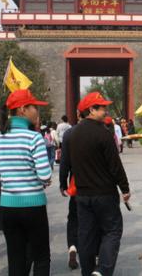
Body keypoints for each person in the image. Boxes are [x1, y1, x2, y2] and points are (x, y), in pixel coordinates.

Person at [0, 89, 52, 276]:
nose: (37, 112)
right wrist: (36, 178)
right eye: (35, 107)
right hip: (34, 206)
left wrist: (9, 177)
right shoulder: (34, 137)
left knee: (15, 258)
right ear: (23, 109)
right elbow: (45, 175)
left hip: (8, 207)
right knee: (40, 257)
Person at [68, 92, 130, 276]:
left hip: (83, 195)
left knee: (86, 235)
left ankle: (87, 272)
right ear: (91, 110)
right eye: (102, 108)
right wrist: (124, 188)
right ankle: (102, 270)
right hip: (104, 194)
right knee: (112, 231)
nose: (105, 111)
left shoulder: (72, 134)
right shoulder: (103, 133)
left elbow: (69, 163)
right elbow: (115, 165)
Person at [59, 112, 82, 270]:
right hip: (97, 187)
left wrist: (62, 183)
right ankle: (93, 253)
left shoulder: (69, 134)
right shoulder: (102, 131)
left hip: (76, 184)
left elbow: (64, 162)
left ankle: (73, 248)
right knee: (91, 221)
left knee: (73, 218)